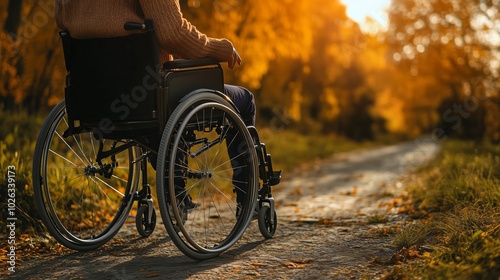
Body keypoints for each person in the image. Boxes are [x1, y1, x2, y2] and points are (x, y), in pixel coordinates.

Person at [54, 0, 256, 208]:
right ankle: (247, 196)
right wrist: (220, 48)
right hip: (147, 93)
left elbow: (62, 21)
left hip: (94, 95)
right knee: (244, 100)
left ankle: (174, 188)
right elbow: (172, 34)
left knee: (157, 104)